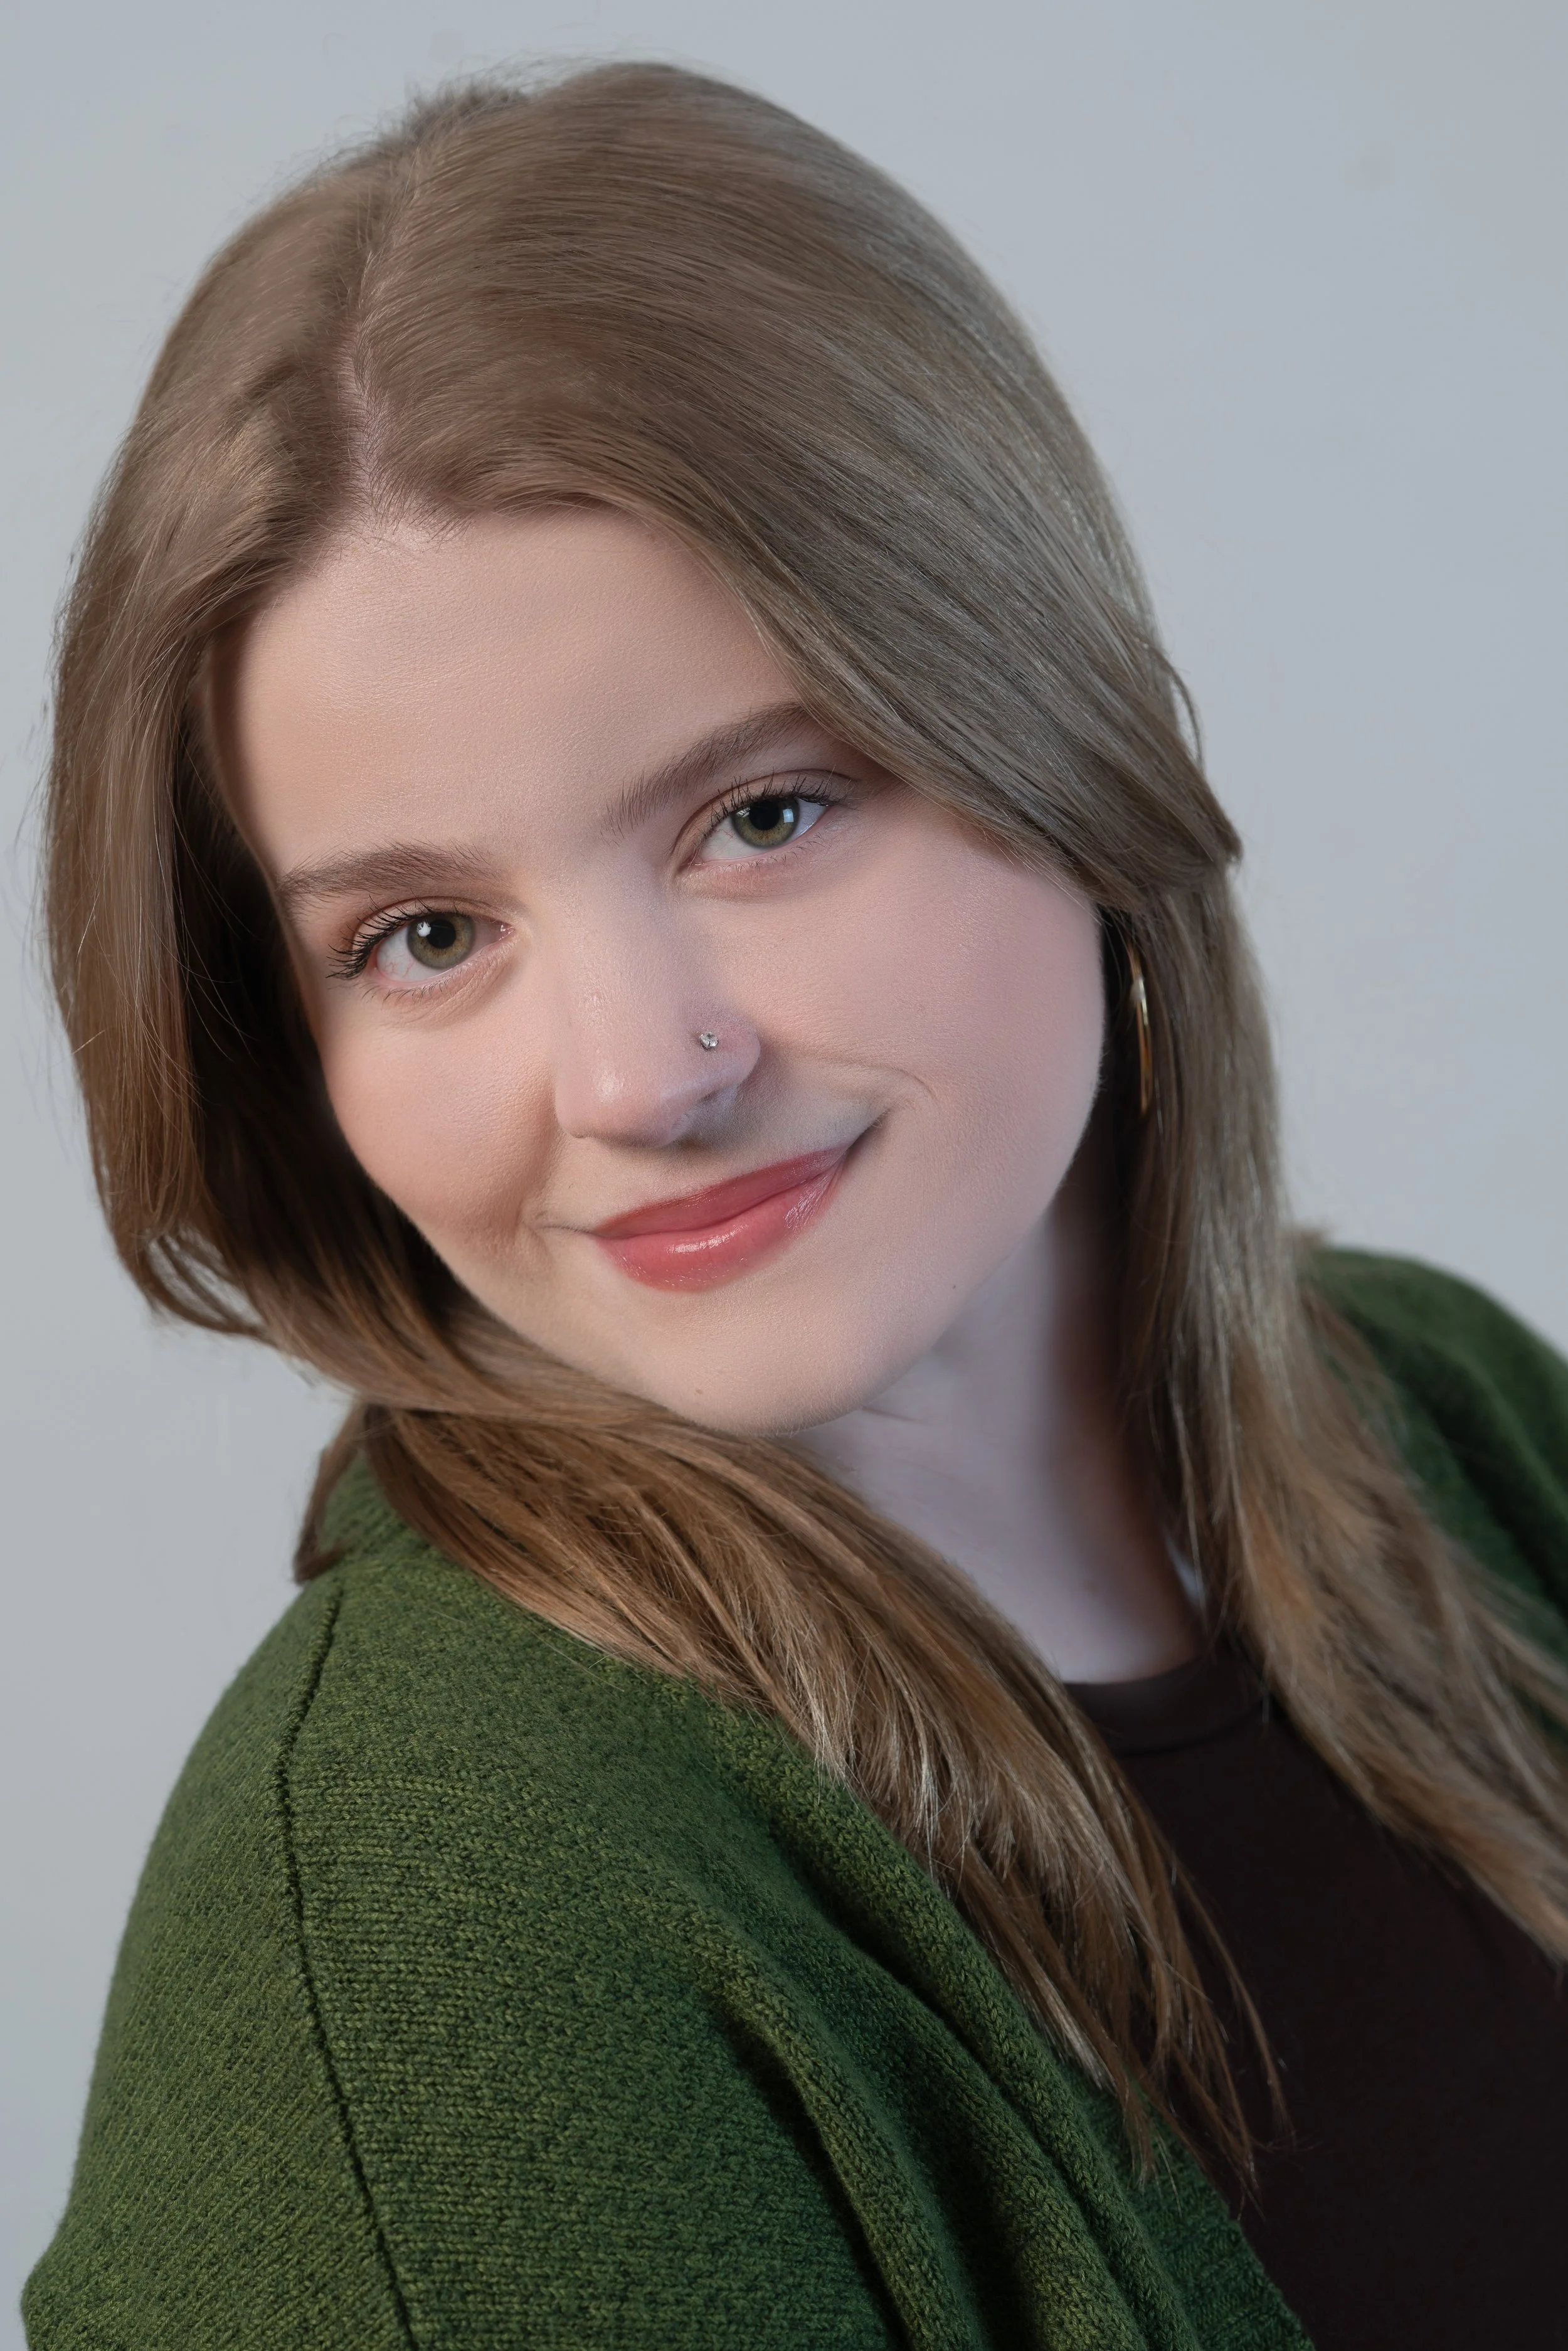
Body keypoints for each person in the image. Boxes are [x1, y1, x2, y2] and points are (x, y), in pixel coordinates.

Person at [23, 62, 1568, 2351]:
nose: (646, 1076)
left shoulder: (1442, 1407)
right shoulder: (430, 1917)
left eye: (763, 813)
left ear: (1048, 713)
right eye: (423, 937)